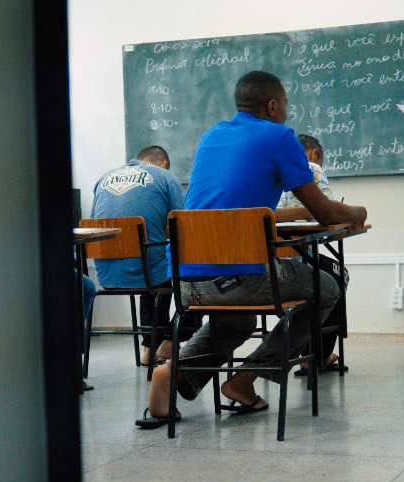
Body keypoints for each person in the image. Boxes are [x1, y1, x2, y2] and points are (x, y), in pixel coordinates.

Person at [143, 70, 367, 424]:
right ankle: (245, 379)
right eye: (287, 106)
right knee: (328, 288)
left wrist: (289, 212)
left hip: (185, 279)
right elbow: (324, 210)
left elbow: (233, 211)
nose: (287, 113)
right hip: (238, 276)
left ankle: (175, 370)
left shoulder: (212, 135)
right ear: (274, 105)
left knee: (239, 321)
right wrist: (357, 212)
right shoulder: (280, 136)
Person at [90, 145, 185, 366]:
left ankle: (148, 349)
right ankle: (169, 340)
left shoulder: (104, 178)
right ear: (162, 164)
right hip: (148, 273)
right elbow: (182, 222)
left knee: (151, 266)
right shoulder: (165, 177)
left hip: (106, 275)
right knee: (179, 272)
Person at [274, 134, 347, 376]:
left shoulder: (271, 169)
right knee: (339, 276)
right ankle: (319, 356)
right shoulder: (311, 167)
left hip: (268, 260)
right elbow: (330, 222)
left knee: (321, 276)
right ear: (314, 154)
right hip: (296, 260)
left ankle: (309, 350)